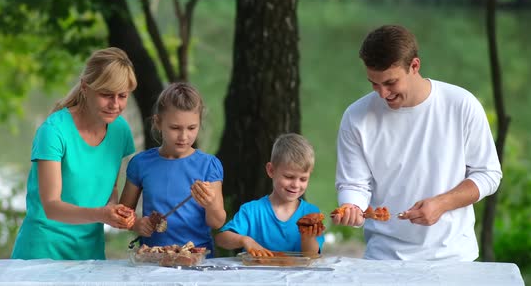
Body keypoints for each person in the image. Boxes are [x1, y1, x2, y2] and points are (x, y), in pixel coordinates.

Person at [331, 24, 502, 261]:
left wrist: (442, 203)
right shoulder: (356, 116)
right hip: (383, 258)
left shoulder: (461, 104)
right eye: (374, 83)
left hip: (453, 258)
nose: (382, 94)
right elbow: (354, 184)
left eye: (390, 83)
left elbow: (488, 174)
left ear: (414, 66)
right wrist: (352, 207)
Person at [11, 47, 138, 260]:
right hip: (42, 252)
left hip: (91, 251)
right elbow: (51, 207)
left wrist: (113, 209)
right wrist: (101, 214)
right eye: (106, 95)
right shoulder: (53, 132)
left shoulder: (120, 130)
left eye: (122, 96)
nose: (115, 105)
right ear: (85, 88)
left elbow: (111, 187)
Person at [119, 82, 226, 257]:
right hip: (153, 257)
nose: (184, 137)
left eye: (192, 128)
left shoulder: (208, 165)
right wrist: (136, 224)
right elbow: (122, 213)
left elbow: (217, 222)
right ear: (158, 123)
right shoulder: (141, 163)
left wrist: (210, 203)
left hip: (196, 257)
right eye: (175, 128)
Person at [215, 133, 325, 255]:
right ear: (271, 170)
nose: (296, 185)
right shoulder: (252, 210)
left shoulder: (311, 213)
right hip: (256, 273)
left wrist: (308, 238)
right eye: (289, 177)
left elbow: (311, 256)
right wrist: (245, 240)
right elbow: (221, 239)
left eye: (303, 179)